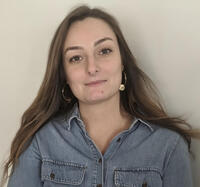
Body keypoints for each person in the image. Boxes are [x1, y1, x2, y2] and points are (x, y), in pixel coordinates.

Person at [1, 5, 200, 187]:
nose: (92, 67)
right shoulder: (40, 142)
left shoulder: (168, 147)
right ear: (64, 74)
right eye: (76, 58)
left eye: (104, 51)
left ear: (123, 62)